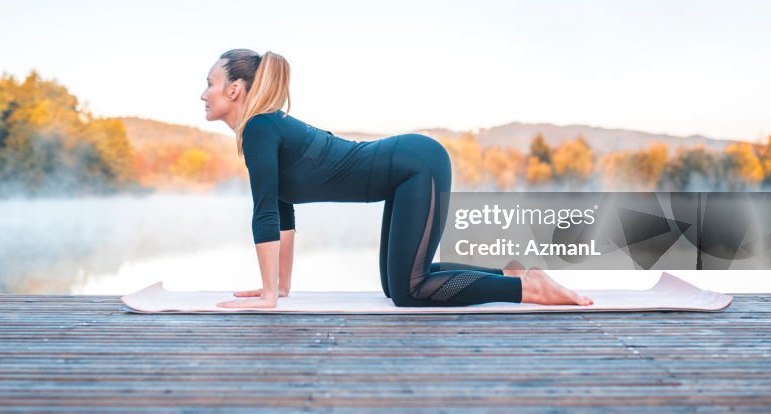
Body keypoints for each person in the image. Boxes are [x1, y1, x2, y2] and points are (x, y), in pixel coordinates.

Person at [201, 49, 594, 309]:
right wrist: (279, 288)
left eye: (210, 83)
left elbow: (265, 212)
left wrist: (267, 296)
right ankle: (508, 274)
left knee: (410, 291)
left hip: (415, 165)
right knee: (397, 285)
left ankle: (527, 289)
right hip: (407, 169)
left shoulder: (259, 129)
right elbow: (282, 211)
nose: (204, 93)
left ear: (235, 90)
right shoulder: (267, 128)